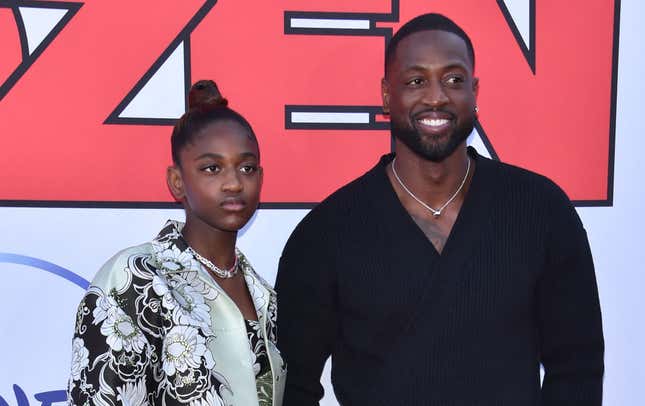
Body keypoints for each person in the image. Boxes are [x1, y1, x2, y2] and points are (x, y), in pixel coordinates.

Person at [275, 13, 604, 406]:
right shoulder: (326, 234)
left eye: (454, 80)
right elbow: (291, 384)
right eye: (416, 81)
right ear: (385, 94)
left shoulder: (542, 212)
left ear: (475, 91)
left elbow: (577, 367)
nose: (436, 97)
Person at [67, 80, 286, 406]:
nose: (233, 183)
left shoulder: (265, 296)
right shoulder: (135, 280)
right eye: (212, 168)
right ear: (177, 181)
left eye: (247, 167)